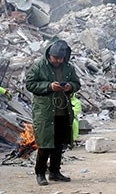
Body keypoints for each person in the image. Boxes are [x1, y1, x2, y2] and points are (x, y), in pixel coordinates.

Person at [25, 39, 81, 186]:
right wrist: (49, 86)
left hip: (63, 111)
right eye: (55, 58)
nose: (58, 61)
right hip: (45, 112)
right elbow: (30, 84)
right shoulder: (39, 66)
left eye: (61, 58)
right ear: (49, 55)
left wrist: (70, 86)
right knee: (45, 144)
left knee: (59, 144)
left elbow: (77, 83)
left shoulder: (68, 68)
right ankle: (40, 173)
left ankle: (55, 172)